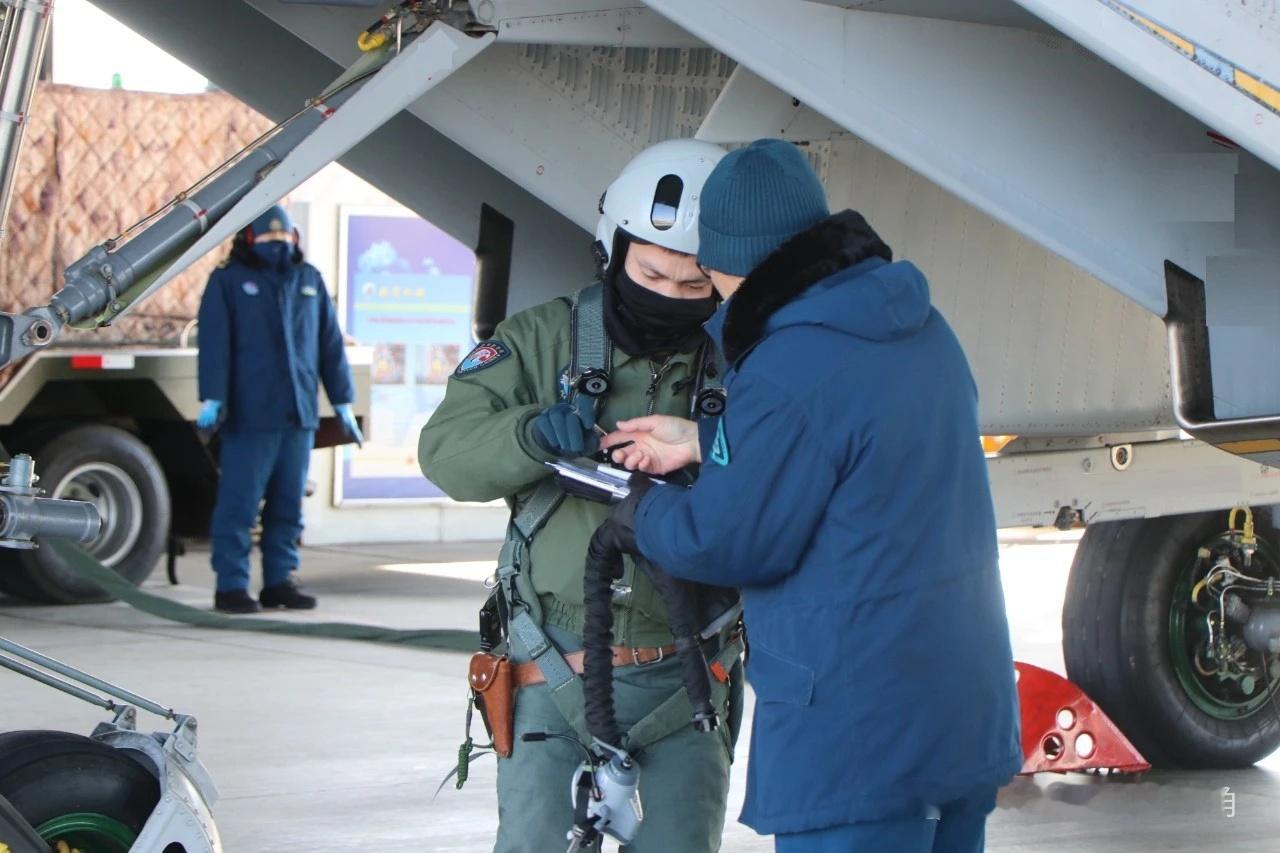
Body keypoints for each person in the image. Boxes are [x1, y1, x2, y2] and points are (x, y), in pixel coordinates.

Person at [599, 139, 1022, 852]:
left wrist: (641, 507)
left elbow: (728, 539)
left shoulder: (788, 364)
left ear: (725, 260)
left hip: (857, 732)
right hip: (958, 710)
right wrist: (709, 436)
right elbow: (859, 443)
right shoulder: (920, 327)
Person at [418, 139, 745, 853]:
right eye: (651, 272)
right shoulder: (541, 342)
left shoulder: (746, 363)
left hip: (685, 680)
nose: (669, 295)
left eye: (695, 287)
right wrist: (530, 433)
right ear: (612, 248)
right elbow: (445, 453)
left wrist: (707, 442)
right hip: (549, 675)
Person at [196, 204, 362, 614]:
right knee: (240, 504)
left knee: (288, 505)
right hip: (250, 416)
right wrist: (213, 397)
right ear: (249, 239)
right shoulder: (229, 281)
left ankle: (279, 582)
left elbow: (329, 346)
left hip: (298, 416)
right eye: (269, 236)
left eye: (285, 236)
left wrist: (342, 402)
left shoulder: (309, 280)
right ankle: (231, 586)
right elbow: (215, 343)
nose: (278, 243)